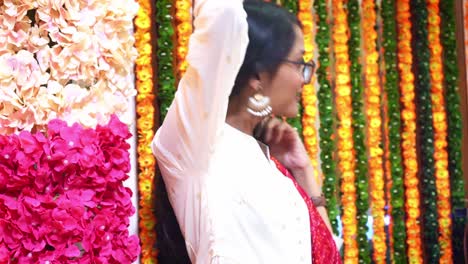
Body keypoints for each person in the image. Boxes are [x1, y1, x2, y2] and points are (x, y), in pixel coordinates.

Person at [152, 0, 342, 263]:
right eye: (299, 63)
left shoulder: (274, 166)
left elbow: (327, 254)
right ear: (257, 73)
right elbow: (223, 14)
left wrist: (303, 172)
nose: (304, 79)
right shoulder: (196, 147)